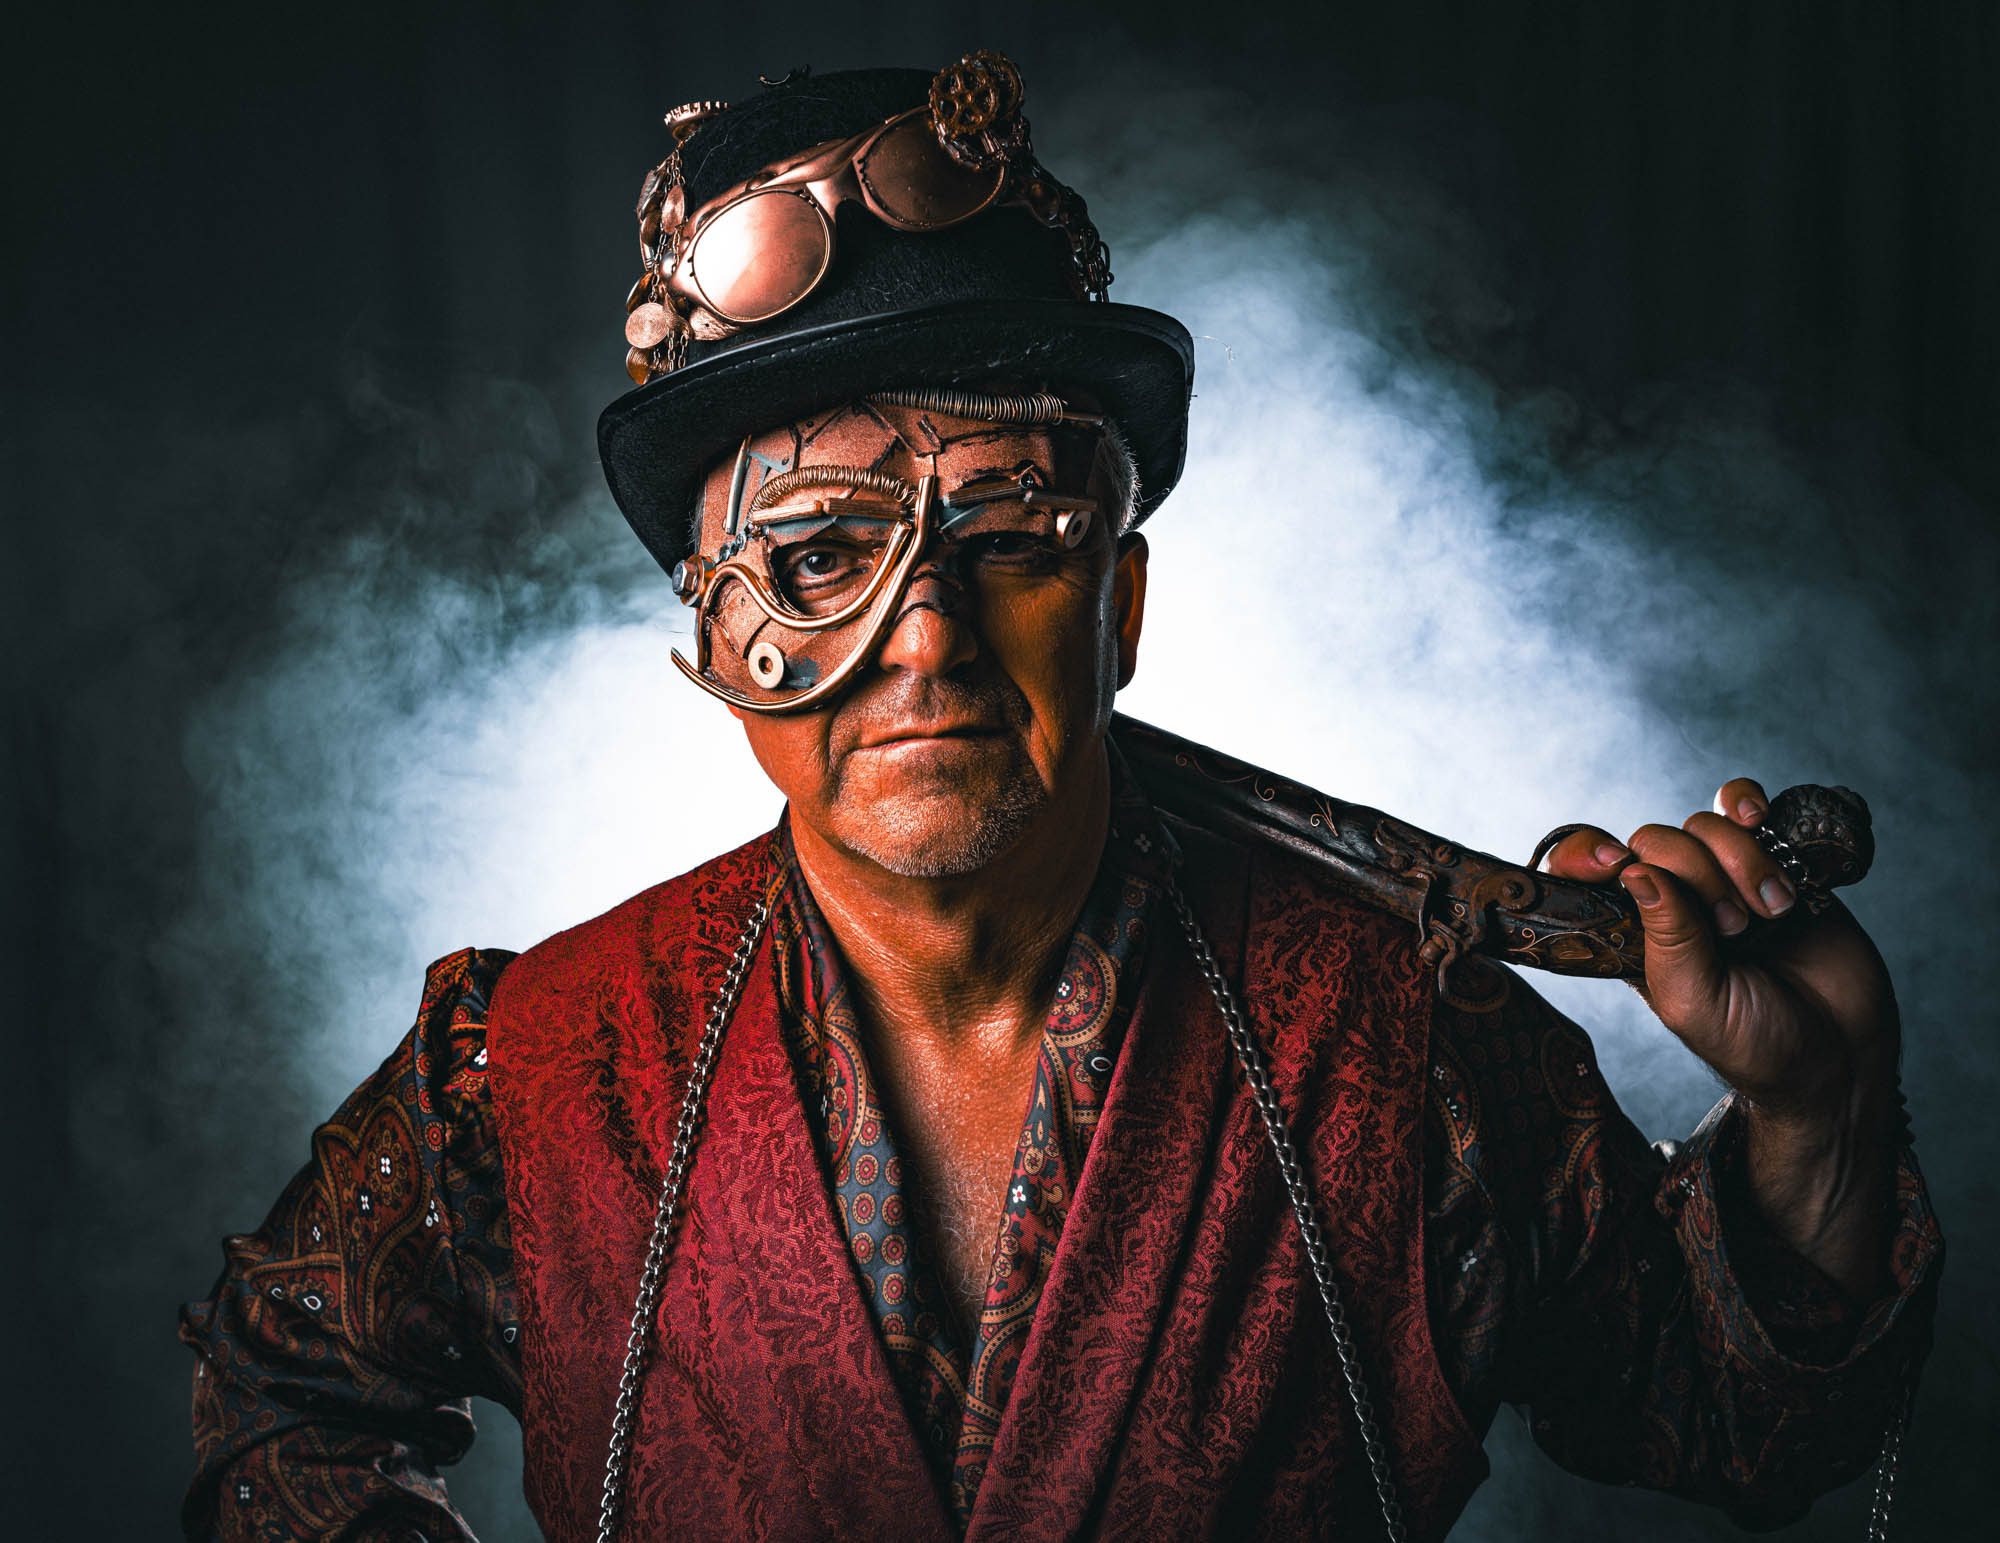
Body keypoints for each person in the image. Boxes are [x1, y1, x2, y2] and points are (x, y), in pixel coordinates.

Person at [181, 57, 1942, 1543]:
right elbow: (279, 1394)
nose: (927, 634)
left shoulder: (1419, 1050)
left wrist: (1821, 1118)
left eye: (1011, 531)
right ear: (719, 641)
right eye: (815, 555)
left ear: (1120, 605)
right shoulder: (532, 1069)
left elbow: (1732, 1430)